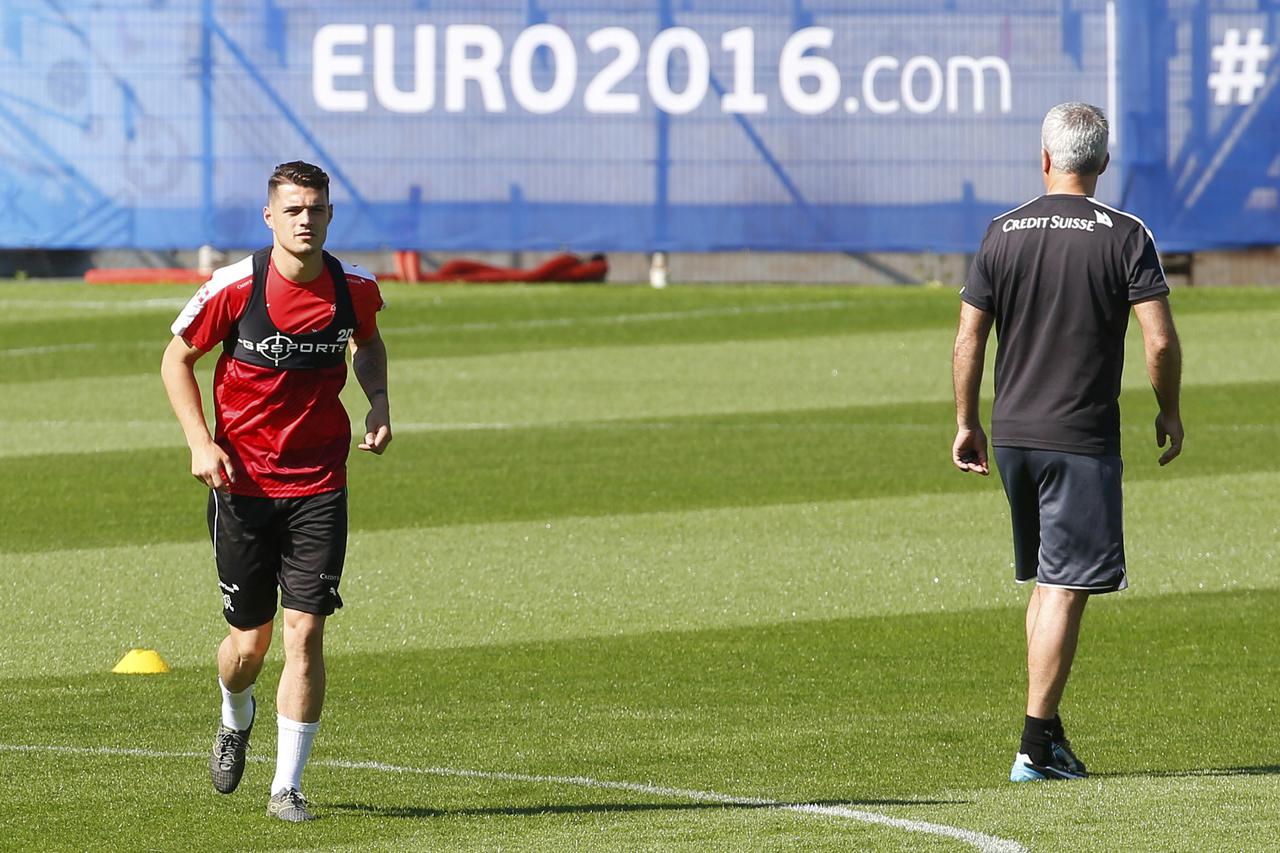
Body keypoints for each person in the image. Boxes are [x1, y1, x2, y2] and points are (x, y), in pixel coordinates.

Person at [950, 103, 1183, 782]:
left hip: (1014, 437)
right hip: (1078, 437)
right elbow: (1159, 340)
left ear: (1046, 157)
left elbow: (968, 338)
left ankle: (1048, 736)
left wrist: (967, 421)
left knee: (1048, 583)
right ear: (1103, 162)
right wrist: (1169, 409)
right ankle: (1033, 747)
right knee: (1064, 585)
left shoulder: (1001, 231)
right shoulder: (1126, 234)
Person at [161, 160, 391, 820]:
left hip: (320, 482)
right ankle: (236, 714)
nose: (304, 220)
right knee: (247, 647)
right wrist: (199, 442)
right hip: (243, 484)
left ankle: (285, 787)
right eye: (292, 209)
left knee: (306, 631)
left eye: (315, 209)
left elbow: (368, 343)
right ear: (270, 217)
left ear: (329, 215)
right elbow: (176, 359)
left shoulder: (355, 288)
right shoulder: (235, 286)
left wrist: (378, 401)